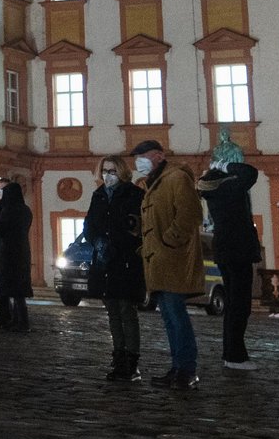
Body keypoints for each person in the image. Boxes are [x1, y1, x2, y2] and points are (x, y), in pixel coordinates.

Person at [135, 138, 202, 390]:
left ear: (159, 156)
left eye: (143, 156)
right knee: (169, 318)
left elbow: (190, 214)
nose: (138, 162)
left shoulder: (176, 178)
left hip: (172, 259)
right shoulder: (154, 182)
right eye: (136, 158)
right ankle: (178, 367)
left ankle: (186, 369)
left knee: (176, 316)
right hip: (160, 261)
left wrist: (169, 241)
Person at [197, 127, 262, 370]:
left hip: (226, 248)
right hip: (238, 249)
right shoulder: (228, 187)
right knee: (239, 305)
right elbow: (250, 173)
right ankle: (235, 355)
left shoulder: (212, 188)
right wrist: (225, 166)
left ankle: (232, 352)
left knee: (235, 304)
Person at [82, 154, 147, 380]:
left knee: (126, 311)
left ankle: (131, 361)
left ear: (121, 172)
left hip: (126, 260)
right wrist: (98, 242)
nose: (108, 176)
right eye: (105, 171)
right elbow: (89, 224)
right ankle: (118, 357)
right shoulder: (98, 196)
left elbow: (137, 229)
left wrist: (118, 243)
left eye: (112, 171)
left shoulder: (135, 195)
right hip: (104, 262)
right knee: (112, 311)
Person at [0, 178, 34, 332]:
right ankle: (17, 320)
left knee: (12, 287)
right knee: (18, 288)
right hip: (23, 250)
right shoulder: (26, 210)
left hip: (8, 251)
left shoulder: (8, 209)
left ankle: (20, 322)